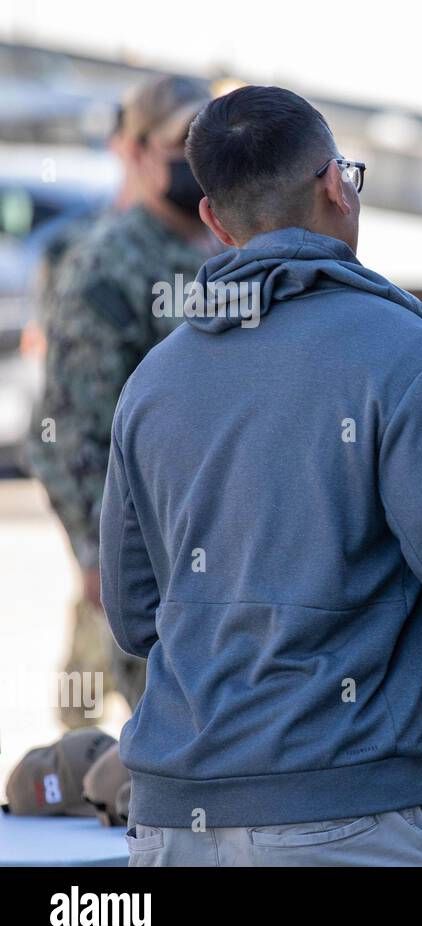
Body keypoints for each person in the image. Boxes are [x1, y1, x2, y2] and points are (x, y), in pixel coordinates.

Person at [101, 84, 422, 866]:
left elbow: (132, 615)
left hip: (168, 823)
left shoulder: (153, 382)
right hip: (345, 821)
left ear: (215, 222)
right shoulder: (411, 357)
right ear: (337, 185)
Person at [29, 74, 220, 722]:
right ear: (136, 150)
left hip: (227, 551)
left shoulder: (231, 243)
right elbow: (66, 428)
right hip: (147, 555)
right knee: (158, 737)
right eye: (179, 144)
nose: (196, 159)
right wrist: (94, 557)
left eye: (206, 140)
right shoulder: (109, 261)